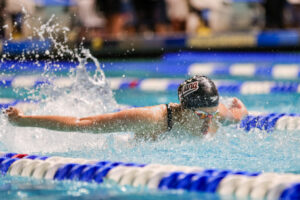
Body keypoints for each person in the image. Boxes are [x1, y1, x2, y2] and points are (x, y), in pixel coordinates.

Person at [5, 75, 248, 140]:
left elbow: (236, 117)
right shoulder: (153, 118)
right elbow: (81, 125)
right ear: (186, 108)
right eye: (202, 114)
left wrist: (242, 110)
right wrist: (25, 120)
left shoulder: (213, 110)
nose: (210, 119)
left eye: (213, 112)